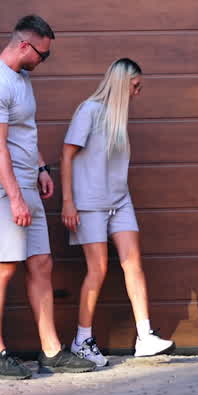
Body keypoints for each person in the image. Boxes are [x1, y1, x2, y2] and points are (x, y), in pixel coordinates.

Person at [0, 14, 97, 379]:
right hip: (0, 187)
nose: (44, 61)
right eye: (43, 54)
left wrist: (40, 168)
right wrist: (15, 198)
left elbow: (24, 133)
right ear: (25, 45)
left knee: (41, 263)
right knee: (4, 265)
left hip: (25, 183)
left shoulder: (21, 79)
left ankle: (52, 351)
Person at [61, 57, 174, 363]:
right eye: (135, 86)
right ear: (122, 83)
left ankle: (145, 336)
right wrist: (68, 201)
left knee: (133, 262)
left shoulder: (118, 118)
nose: (138, 92)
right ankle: (82, 341)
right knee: (98, 269)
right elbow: (67, 155)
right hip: (89, 203)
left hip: (120, 200)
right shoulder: (90, 111)